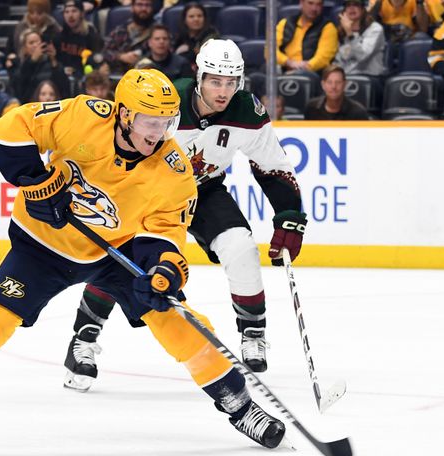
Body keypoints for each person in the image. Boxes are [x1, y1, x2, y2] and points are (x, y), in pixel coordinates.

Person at [0, 68, 286, 455]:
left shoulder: (175, 170)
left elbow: (165, 238)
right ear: (124, 113)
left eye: (166, 122)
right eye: (148, 121)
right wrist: (35, 182)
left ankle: (240, 406)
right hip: (42, 247)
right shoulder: (81, 115)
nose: (158, 133)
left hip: (117, 252)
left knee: (181, 322)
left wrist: (163, 270)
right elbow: (7, 130)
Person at [62, 40, 305, 392]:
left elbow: (273, 166)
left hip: (203, 192)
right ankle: (83, 339)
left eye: (231, 82)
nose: (223, 92)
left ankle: (253, 333)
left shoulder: (246, 111)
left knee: (240, 247)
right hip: (148, 194)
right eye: (215, 81)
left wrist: (289, 216)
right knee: (119, 259)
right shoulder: (165, 101)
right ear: (199, 75)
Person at [275, 0, 339, 74]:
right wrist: (288, 62)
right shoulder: (285, 23)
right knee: (266, 71)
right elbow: (270, 50)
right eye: (310, 3)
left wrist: (302, 68)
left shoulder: (328, 27)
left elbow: (323, 58)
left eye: (318, 4)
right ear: (301, 3)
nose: (314, 8)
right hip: (284, 67)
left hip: (311, 72)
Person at [10, 28, 70, 103]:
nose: (35, 45)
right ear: (25, 48)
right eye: (31, 43)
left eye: (37, 42)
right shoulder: (19, 64)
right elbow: (20, 89)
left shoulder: (52, 63)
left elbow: (64, 90)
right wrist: (32, 61)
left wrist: (53, 60)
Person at [335, 0, 386, 77]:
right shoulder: (341, 31)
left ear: (363, 9)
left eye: (356, 4)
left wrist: (350, 35)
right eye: (348, 5)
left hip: (369, 76)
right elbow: (340, 59)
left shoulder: (375, 29)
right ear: (344, 12)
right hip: (345, 77)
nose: (351, 8)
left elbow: (362, 57)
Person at [54, 0, 104, 78]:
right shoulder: (59, 37)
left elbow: (97, 61)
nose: (70, 15)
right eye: (66, 12)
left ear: (82, 13)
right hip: (63, 78)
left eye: (74, 11)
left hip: (86, 79)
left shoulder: (92, 36)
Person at [103, 0, 155, 75]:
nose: (144, 9)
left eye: (147, 5)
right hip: (119, 76)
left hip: (148, 75)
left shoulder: (157, 32)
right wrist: (121, 56)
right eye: (140, 5)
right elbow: (105, 52)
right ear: (132, 8)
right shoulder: (120, 31)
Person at [304, 64, 370, 119]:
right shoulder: (311, 108)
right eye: (329, 82)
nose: (333, 87)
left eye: (338, 82)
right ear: (323, 85)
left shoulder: (358, 112)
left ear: (345, 84)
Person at [173, 2, 218, 69]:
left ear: (204, 19)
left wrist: (189, 50)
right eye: (191, 16)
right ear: (185, 20)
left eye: (199, 16)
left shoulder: (212, 36)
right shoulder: (181, 35)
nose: (196, 19)